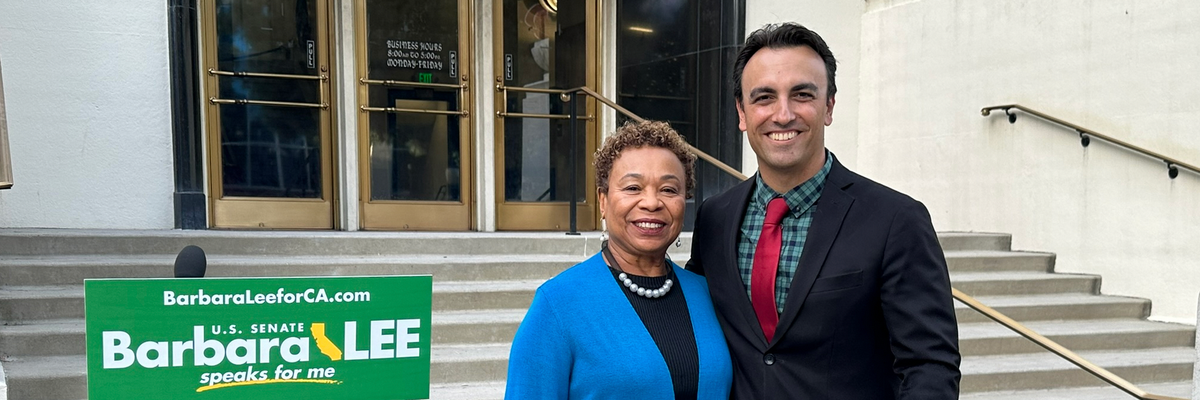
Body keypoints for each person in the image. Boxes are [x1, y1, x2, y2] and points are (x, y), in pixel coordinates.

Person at [686, 23, 961, 399]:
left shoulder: (896, 220)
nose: (782, 115)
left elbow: (930, 366)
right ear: (742, 113)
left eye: (802, 95)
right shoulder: (714, 218)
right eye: (764, 97)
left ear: (829, 106)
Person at [505, 121, 732, 399]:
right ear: (603, 201)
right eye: (633, 188)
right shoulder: (558, 306)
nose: (651, 202)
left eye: (669, 190)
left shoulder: (705, 293)